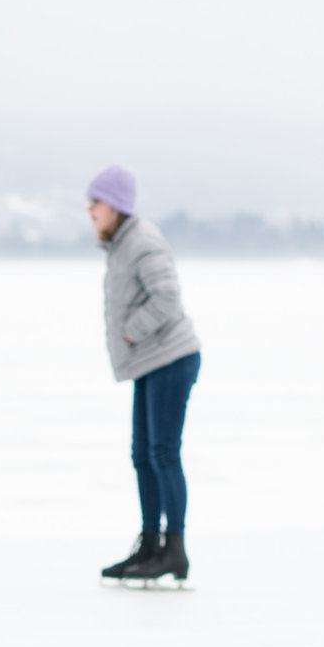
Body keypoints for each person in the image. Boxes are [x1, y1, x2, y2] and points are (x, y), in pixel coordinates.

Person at [90, 165, 203, 587]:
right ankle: (150, 544)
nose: (90, 211)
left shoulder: (142, 242)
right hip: (150, 362)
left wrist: (130, 330)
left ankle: (175, 549)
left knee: (163, 453)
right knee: (143, 454)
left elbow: (168, 298)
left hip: (172, 359)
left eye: (95, 203)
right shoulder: (121, 244)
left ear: (116, 206)